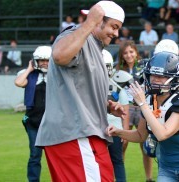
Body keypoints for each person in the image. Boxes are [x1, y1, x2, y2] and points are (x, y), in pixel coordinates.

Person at [35, 1, 126, 181]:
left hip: (82, 134)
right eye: (114, 27)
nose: (116, 34)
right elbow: (60, 55)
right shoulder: (78, 35)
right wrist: (89, 23)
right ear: (98, 20)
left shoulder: (94, 45)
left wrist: (106, 105)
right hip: (77, 134)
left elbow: (79, 86)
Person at [107, 52, 179, 181]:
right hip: (166, 168)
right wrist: (118, 132)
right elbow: (140, 135)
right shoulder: (149, 101)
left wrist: (143, 104)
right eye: (153, 75)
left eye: (162, 76)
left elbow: (162, 134)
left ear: (175, 78)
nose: (155, 79)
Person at [116, 40, 155, 182]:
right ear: (122, 55)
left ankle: (149, 178)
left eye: (131, 52)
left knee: (145, 146)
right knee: (123, 143)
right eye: (125, 53)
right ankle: (119, 176)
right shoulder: (118, 69)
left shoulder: (144, 67)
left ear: (136, 52)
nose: (128, 55)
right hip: (125, 109)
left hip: (141, 108)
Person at [14, 46, 52, 182]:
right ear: (35, 60)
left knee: (55, 156)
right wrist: (30, 69)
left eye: (47, 60)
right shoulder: (29, 74)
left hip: (52, 123)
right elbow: (18, 82)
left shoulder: (57, 75)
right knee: (35, 155)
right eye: (41, 60)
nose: (44, 63)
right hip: (33, 122)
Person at [103, 49, 130, 182]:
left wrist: (124, 132)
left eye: (106, 66)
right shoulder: (86, 85)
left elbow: (125, 110)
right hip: (94, 129)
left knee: (117, 161)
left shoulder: (117, 85)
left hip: (114, 129)